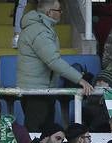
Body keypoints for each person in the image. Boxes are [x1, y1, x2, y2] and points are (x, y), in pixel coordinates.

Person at [17, 0, 95, 129]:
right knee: (36, 134)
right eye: (59, 10)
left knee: (44, 134)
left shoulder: (40, 28)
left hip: (39, 89)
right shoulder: (40, 32)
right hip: (37, 92)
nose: (61, 13)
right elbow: (53, 61)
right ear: (49, 12)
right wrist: (80, 79)